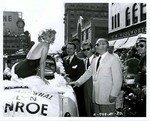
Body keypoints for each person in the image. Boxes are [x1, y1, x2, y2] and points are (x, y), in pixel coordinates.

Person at [69, 38, 123, 117]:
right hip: (96, 97)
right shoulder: (96, 60)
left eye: (97, 44)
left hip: (107, 97)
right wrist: (78, 82)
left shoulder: (113, 59)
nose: (95, 46)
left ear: (104, 45)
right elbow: (88, 73)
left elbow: (118, 79)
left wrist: (114, 94)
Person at [63, 42, 86, 116]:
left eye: (71, 48)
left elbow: (81, 75)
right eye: (67, 48)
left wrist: (72, 80)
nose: (69, 50)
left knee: (78, 108)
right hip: (65, 88)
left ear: (75, 50)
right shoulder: (64, 59)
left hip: (76, 88)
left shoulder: (80, 61)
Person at [81, 41, 95, 116]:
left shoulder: (97, 59)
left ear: (92, 49)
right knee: (88, 107)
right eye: (84, 50)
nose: (86, 51)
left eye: (88, 49)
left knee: (95, 108)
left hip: (95, 86)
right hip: (86, 86)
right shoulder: (85, 60)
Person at [135, 35, 146, 116]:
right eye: (137, 45)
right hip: (141, 92)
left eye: (141, 45)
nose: (138, 47)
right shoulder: (142, 59)